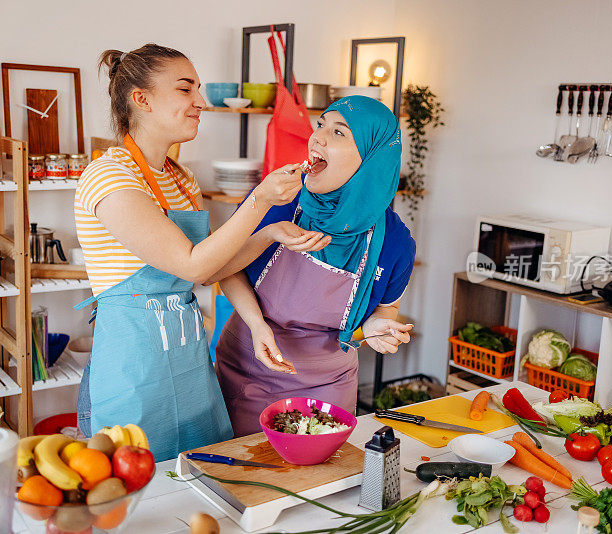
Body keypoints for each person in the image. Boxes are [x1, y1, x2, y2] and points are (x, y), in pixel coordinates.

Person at [73, 43, 312, 460]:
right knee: (137, 495)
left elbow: (212, 266)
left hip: (188, 362)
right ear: (141, 99)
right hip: (131, 369)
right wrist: (259, 201)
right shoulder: (108, 175)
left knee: (204, 478)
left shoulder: (181, 178)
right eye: (186, 90)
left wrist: (256, 319)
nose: (200, 102)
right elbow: (191, 262)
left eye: (198, 89)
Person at [211, 96, 417, 437]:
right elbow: (225, 269)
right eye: (320, 124)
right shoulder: (277, 199)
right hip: (251, 366)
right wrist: (257, 323)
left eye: (338, 133)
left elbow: (386, 308)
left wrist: (379, 329)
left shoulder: (395, 243)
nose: (317, 137)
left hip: (328, 385)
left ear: (371, 159)